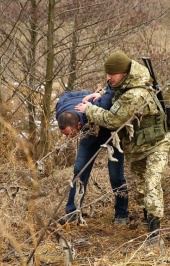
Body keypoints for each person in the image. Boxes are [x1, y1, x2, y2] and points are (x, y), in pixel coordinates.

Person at [75, 51, 170, 239]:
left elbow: (113, 120)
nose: (109, 78)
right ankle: (146, 216)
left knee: (151, 184)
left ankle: (154, 232)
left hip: (155, 145)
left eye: (112, 74)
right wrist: (99, 94)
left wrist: (90, 109)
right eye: (107, 74)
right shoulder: (125, 82)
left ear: (124, 73)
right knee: (142, 187)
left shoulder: (135, 94)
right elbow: (113, 90)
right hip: (137, 146)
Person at [55, 87, 129, 225]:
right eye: (64, 135)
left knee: (116, 175)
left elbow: (112, 93)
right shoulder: (61, 110)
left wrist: (95, 95)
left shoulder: (99, 104)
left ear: (78, 124)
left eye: (69, 134)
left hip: (111, 134)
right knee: (79, 171)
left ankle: (121, 214)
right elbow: (67, 93)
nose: (67, 139)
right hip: (89, 136)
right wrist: (88, 94)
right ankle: (72, 215)